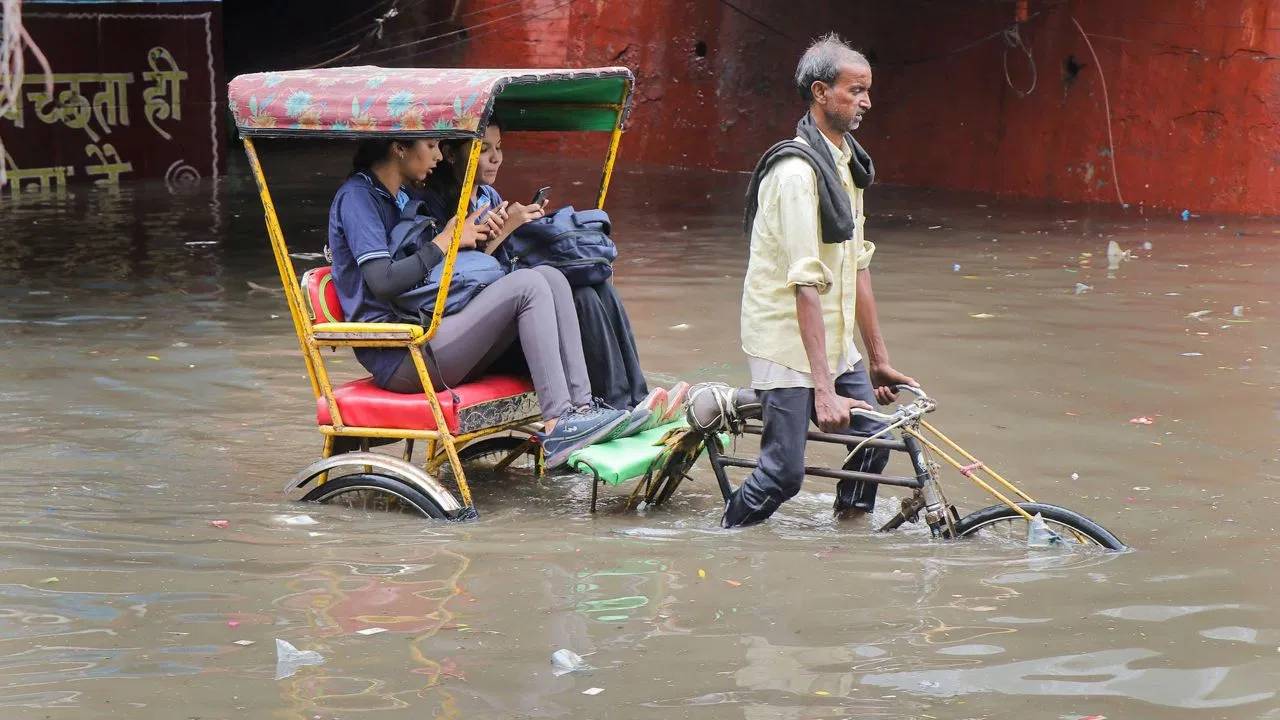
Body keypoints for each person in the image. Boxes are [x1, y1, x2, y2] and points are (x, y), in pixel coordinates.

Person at [326, 136, 626, 468]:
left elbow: (435, 276)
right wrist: (444, 242)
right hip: (402, 352)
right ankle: (558, 423)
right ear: (399, 148)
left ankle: (581, 409)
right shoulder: (359, 197)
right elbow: (383, 281)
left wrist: (476, 238)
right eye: (431, 146)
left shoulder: (404, 196)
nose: (440, 156)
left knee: (550, 276)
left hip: (435, 328)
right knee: (527, 285)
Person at [723, 33, 918, 527]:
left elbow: (857, 265)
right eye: (855, 90)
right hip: (785, 340)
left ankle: (847, 536)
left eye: (867, 90)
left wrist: (878, 361)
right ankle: (722, 538)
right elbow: (804, 285)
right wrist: (822, 390)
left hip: (834, 340)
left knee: (876, 438)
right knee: (783, 475)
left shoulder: (847, 165)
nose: (866, 102)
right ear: (819, 92)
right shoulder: (795, 173)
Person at [417, 117, 662, 418]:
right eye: (484, 149)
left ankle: (634, 399)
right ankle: (613, 403)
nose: (496, 158)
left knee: (592, 288)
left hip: (510, 303)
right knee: (578, 299)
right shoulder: (432, 205)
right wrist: (509, 227)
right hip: (483, 327)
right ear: (451, 154)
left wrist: (518, 226)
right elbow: (461, 279)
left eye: (499, 148)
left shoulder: (487, 196)